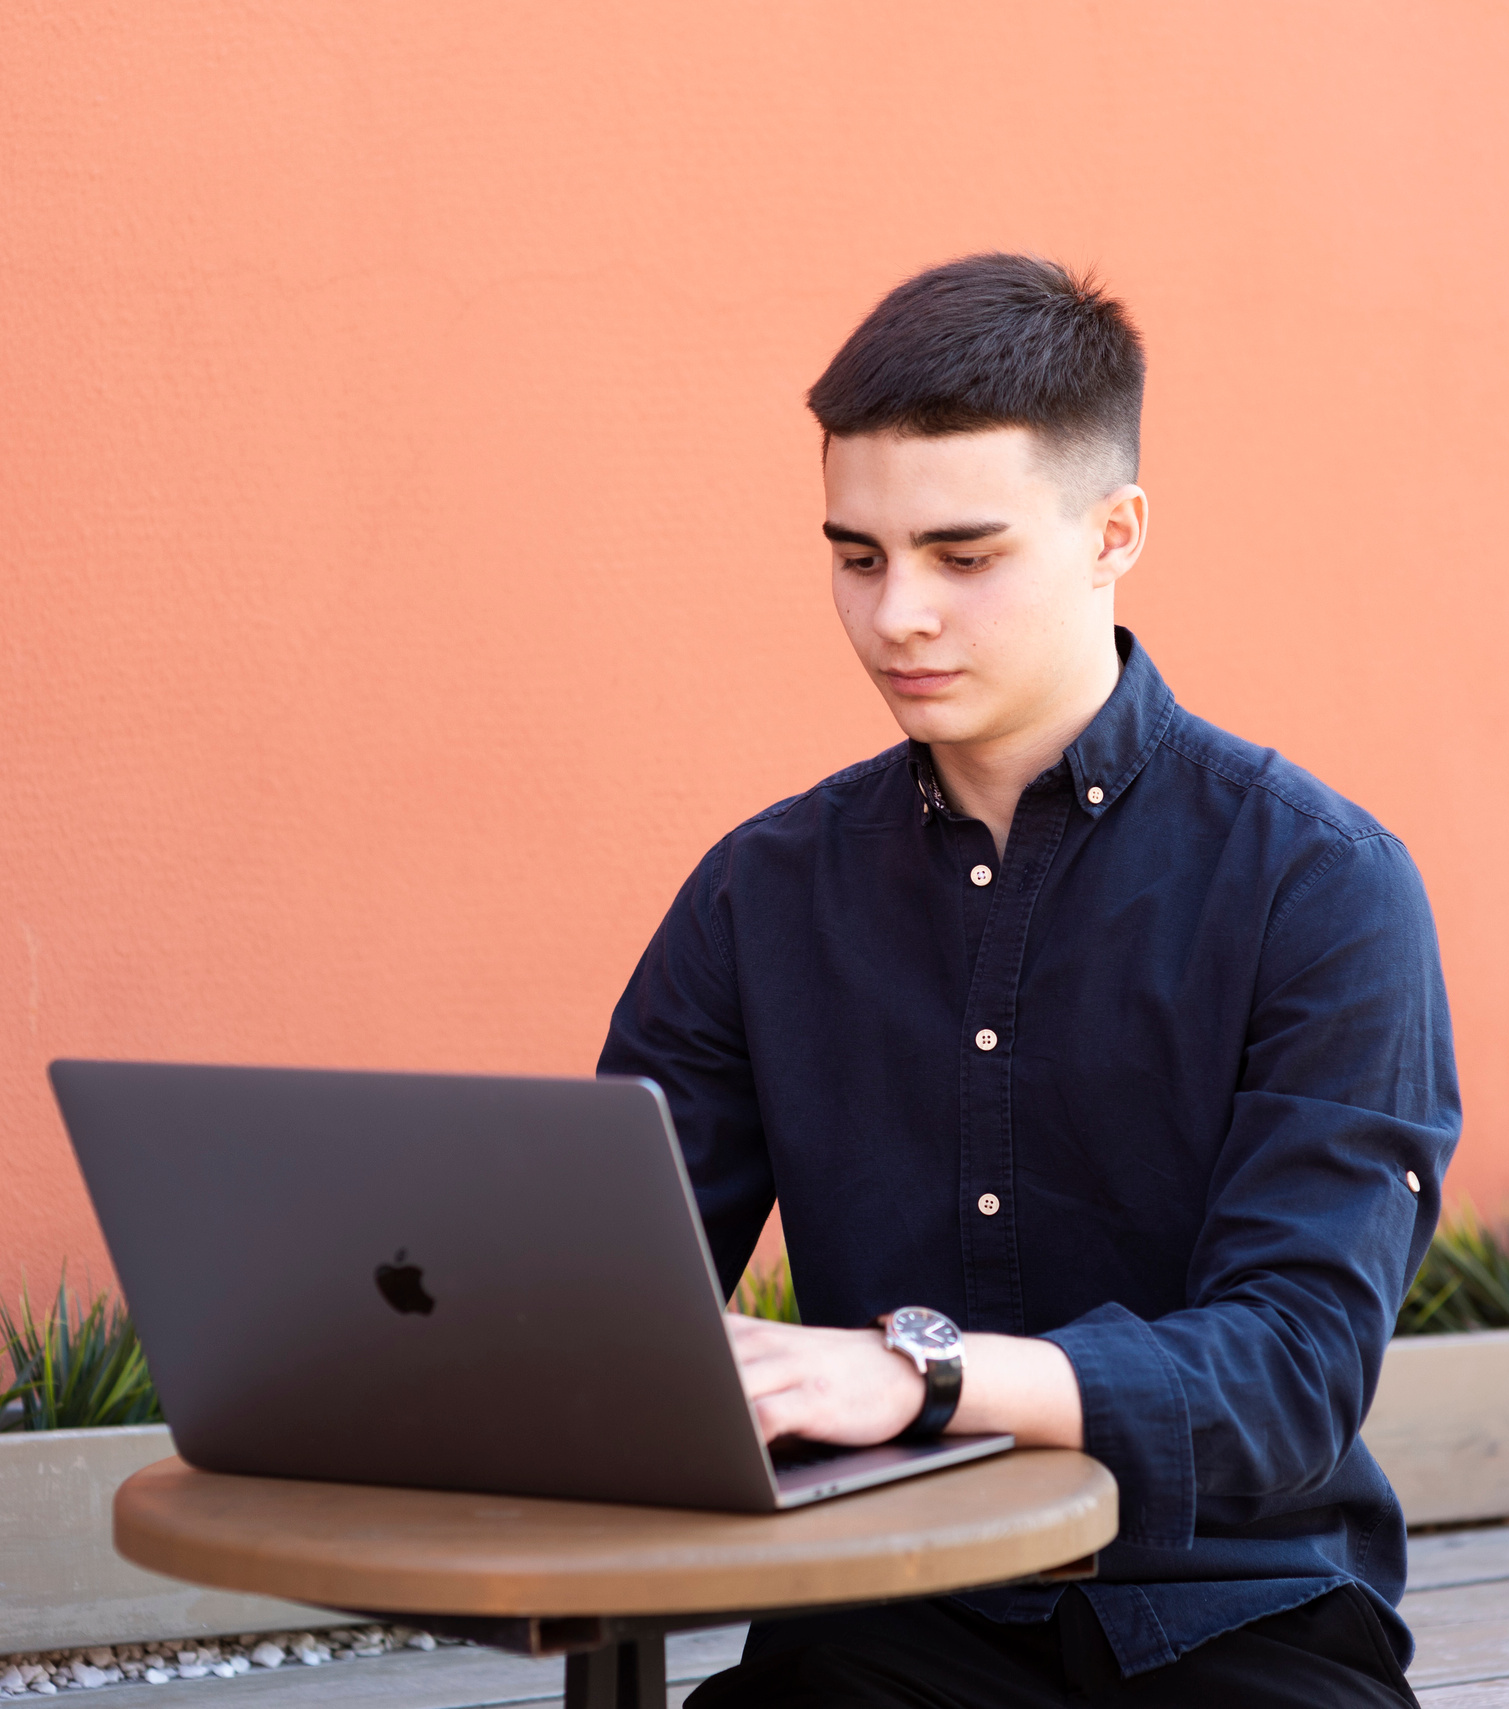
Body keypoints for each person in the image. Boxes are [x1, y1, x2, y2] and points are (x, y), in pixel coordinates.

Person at [598, 254, 1458, 1708]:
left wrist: (919, 1375)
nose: (897, 618)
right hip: (886, 1617)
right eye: (858, 556)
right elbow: (612, 1300)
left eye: (963, 553)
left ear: (1115, 530)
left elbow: (1293, 1368)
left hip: (1236, 1611)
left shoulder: (1323, 883)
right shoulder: (762, 890)